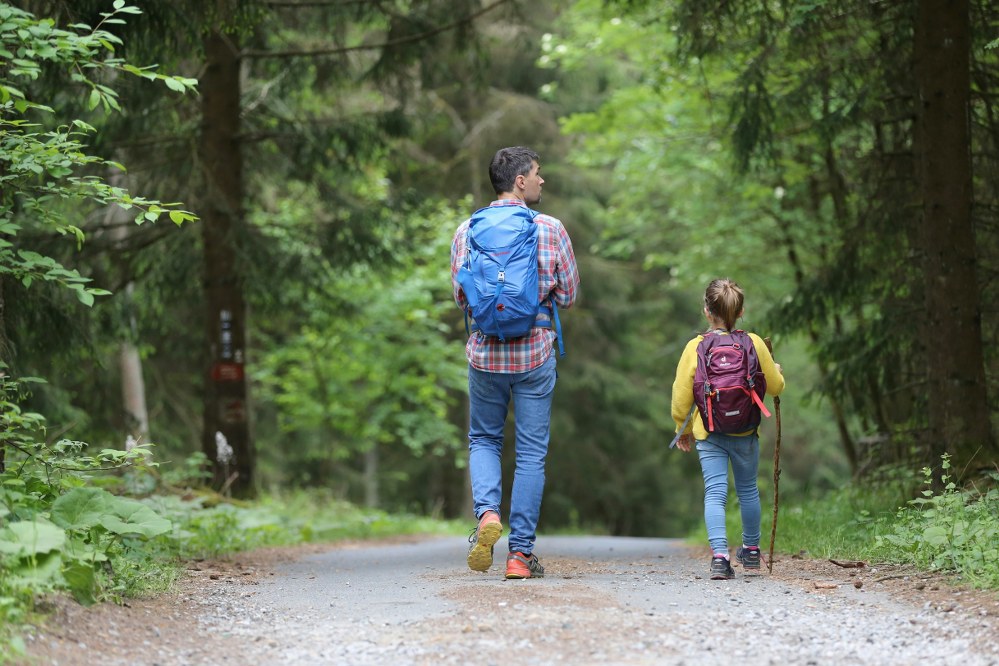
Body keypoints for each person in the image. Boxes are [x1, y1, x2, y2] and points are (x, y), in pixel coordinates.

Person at [450, 146, 580, 579]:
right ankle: (520, 556)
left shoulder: (467, 230)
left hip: (485, 354)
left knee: (484, 439)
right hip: (534, 354)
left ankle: (487, 514)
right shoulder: (550, 228)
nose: (542, 181)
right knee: (530, 454)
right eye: (538, 174)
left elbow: (461, 296)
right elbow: (570, 295)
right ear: (519, 181)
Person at [671, 278, 785, 580]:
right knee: (748, 490)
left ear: (707, 312)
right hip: (745, 432)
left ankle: (720, 557)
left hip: (709, 433)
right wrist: (778, 373)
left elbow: (681, 395)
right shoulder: (754, 343)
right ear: (741, 311)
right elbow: (775, 387)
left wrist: (681, 428)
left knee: (715, 493)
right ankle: (750, 552)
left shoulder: (695, 347)